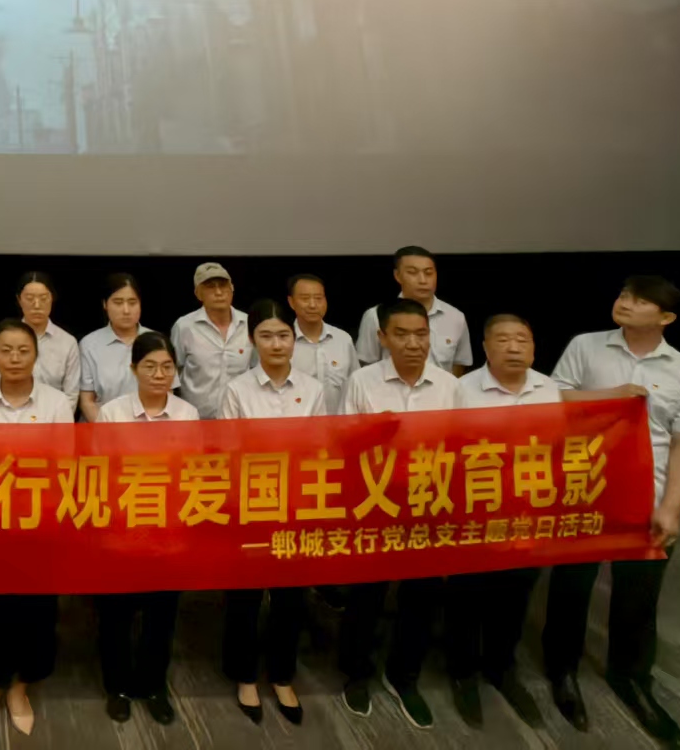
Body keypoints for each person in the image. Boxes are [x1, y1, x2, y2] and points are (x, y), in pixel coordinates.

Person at [542, 277, 680, 750]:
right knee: (570, 587)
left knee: (639, 596)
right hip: (583, 490)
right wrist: (612, 395)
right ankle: (561, 671)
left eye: (641, 301)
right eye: (624, 295)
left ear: (666, 318)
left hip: (648, 496)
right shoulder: (585, 347)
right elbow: (549, 399)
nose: (626, 303)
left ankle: (632, 677)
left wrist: (672, 508)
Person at [337, 298, 461, 728]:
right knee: (366, 596)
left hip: (429, 504)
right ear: (383, 337)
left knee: (421, 598)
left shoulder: (449, 386)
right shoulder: (362, 381)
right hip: (374, 503)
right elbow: (342, 443)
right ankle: (356, 673)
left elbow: (462, 446)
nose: (413, 343)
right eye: (402, 334)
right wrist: (371, 434)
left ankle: (403, 677)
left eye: (421, 334)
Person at [0, 320, 70, 734]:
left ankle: (21, 686)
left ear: (36, 355)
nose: (15, 358)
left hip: (37, 520)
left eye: (23, 350)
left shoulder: (56, 402)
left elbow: (63, 462)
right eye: (6, 350)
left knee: (34, 608)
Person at [444, 313, 557, 730]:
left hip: (527, 512)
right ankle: (462, 671)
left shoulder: (549, 389)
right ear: (485, 348)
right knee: (467, 595)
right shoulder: (460, 390)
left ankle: (502, 666)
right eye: (503, 340)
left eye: (522, 340)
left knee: (515, 594)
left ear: (534, 348)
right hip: (474, 512)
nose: (513, 347)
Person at [218, 301, 322, 725]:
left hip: (297, 505)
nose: (276, 344)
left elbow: (319, 448)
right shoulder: (237, 390)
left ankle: (282, 675)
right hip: (249, 505)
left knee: (290, 598)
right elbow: (228, 452)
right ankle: (244, 676)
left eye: (283, 336)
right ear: (251, 341)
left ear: (294, 340)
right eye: (266, 336)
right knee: (244, 596)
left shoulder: (313, 389)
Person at [94, 331, 192, 725]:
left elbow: (190, 473)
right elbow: (100, 471)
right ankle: (117, 686)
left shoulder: (187, 414)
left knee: (161, 616)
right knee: (115, 615)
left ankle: (153, 686)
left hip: (168, 531)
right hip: (121, 528)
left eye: (167, 367)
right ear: (133, 369)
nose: (159, 374)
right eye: (150, 366)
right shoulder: (112, 413)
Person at [355, 246, 471, 375]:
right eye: (412, 272)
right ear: (397, 275)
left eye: (428, 273)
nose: (423, 280)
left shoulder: (455, 317)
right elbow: (366, 367)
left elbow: (458, 366)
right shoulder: (375, 315)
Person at [79, 273, 172, 421]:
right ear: (105, 304)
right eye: (118, 302)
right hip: (103, 426)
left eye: (132, 302)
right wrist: (110, 430)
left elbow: (168, 392)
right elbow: (87, 401)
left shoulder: (158, 341)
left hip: (150, 427)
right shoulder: (90, 344)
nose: (126, 310)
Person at [169, 261, 252, 419]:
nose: (219, 292)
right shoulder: (184, 327)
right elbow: (172, 373)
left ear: (232, 288)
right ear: (198, 294)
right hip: (195, 419)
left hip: (240, 418)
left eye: (223, 285)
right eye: (210, 287)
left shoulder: (249, 324)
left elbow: (257, 368)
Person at [269, 273, 356, 414]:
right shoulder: (281, 342)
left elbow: (355, 385)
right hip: (297, 423)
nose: (313, 305)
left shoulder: (343, 339)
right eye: (305, 298)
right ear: (291, 302)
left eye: (318, 298)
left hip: (340, 423)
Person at [15, 271, 80, 414]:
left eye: (43, 298)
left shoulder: (67, 342)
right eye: (29, 298)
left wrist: (53, 422)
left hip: (55, 420)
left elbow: (71, 395)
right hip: (12, 419)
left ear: (52, 298)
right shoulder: (6, 339)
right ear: (19, 300)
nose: (37, 305)